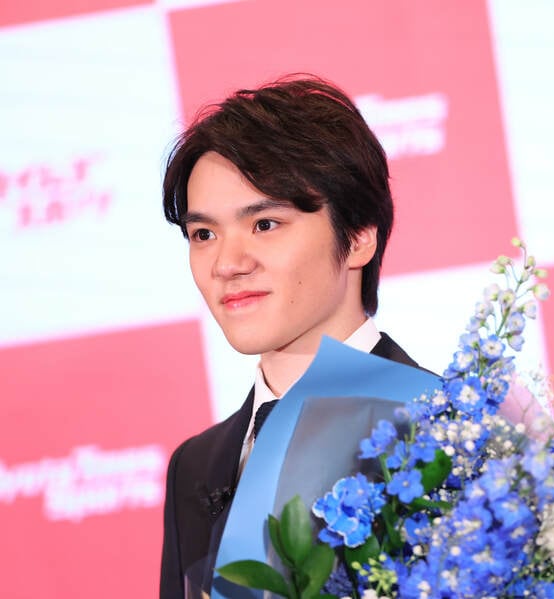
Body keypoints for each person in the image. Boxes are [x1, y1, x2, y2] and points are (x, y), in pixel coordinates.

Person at [158, 75, 419, 599]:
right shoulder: (196, 466)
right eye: (204, 234)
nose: (227, 264)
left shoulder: (440, 427)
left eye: (265, 224)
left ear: (359, 236)